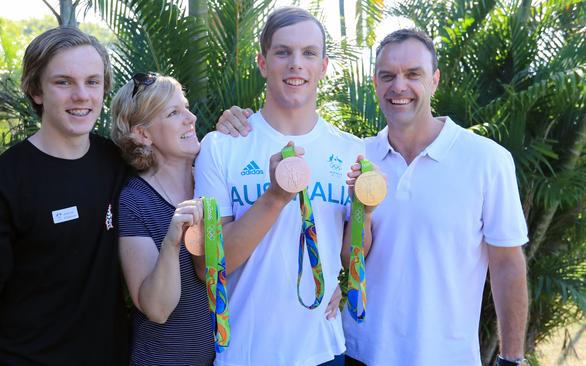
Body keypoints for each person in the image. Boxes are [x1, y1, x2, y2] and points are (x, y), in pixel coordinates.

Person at [217, 28, 529, 366]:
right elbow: (341, 248)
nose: (399, 86)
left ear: (435, 80)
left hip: (446, 357)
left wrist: (511, 358)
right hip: (357, 353)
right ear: (375, 84)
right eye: (387, 76)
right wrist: (241, 121)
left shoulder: (486, 159)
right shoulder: (354, 155)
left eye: (413, 74)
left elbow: (507, 264)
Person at [194, 7, 367, 366]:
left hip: (325, 350)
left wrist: (366, 212)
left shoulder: (350, 150)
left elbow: (354, 255)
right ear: (262, 62)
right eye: (283, 52)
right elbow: (209, 267)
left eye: (309, 53)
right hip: (244, 353)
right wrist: (275, 197)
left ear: (324, 67)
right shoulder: (222, 146)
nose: (296, 64)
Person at [0, 27, 129, 365]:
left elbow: (178, 156)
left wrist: (230, 127)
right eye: (64, 82)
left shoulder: (118, 162)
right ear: (35, 90)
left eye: (92, 82)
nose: (81, 95)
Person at [110, 72, 214, 365]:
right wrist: (171, 243)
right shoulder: (135, 200)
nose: (190, 118)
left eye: (186, 106)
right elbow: (156, 309)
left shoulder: (212, 181)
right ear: (143, 134)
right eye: (173, 112)